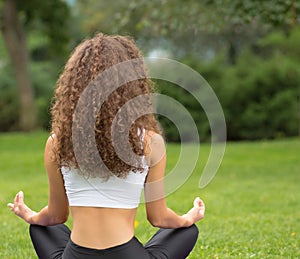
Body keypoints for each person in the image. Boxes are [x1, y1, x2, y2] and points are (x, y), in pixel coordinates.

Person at [8, 33, 205, 259]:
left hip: (76, 256)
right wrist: (188, 218)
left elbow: (55, 216)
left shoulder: (57, 142)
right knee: (186, 231)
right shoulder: (151, 142)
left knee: (43, 227)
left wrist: (31, 216)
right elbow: (159, 219)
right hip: (128, 255)